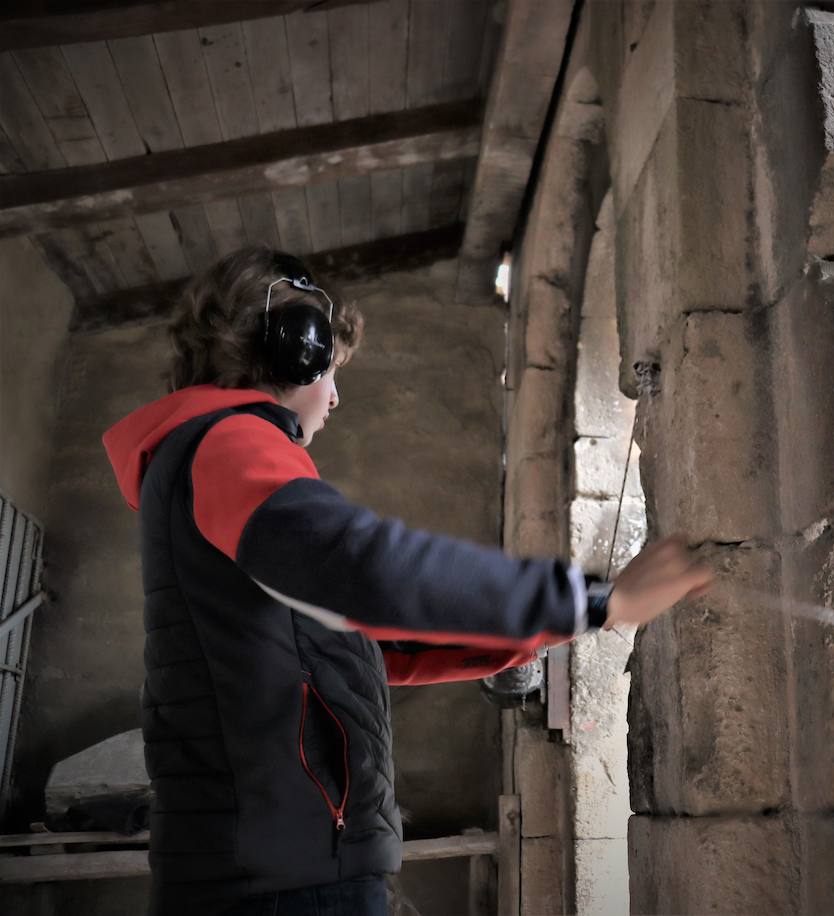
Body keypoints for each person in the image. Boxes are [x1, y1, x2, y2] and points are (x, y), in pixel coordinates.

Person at [101, 247, 710, 915]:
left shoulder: (209, 456)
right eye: (330, 370)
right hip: (277, 875)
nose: (334, 395)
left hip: (277, 863)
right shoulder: (228, 443)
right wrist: (590, 599)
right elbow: (362, 569)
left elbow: (350, 644)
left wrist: (519, 635)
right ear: (292, 352)